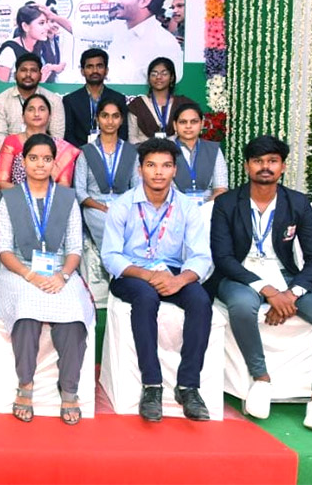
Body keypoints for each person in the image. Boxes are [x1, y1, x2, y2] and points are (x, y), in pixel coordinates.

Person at [209, 136, 312, 432]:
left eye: (272, 161)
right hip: (240, 275)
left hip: (285, 277)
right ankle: (261, 379)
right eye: (258, 161)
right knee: (242, 305)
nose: (265, 167)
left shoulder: (297, 203)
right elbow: (223, 258)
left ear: (282, 166)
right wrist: (268, 291)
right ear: (247, 166)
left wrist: (291, 294)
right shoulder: (227, 203)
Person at [101, 138, 214, 422]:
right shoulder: (123, 205)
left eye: (166, 166)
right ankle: (152, 385)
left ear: (175, 170)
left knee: (200, 300)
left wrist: (180, 280)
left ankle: (188, 386)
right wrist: (146, 275)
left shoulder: (187, 207)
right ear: (140, 169)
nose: (158, 172)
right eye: (151, 165)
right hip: (132, 272)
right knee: (146, 296)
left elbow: (201, 256)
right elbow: (110, 256)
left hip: (172, 272)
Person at [0, 133, 94, 424]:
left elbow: (74, 249)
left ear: (54, 164)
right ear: (23, 162)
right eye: (33, 158)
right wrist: (30, 275)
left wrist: (63, 275)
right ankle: (25, 385)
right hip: (19, 271)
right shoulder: (10, 198)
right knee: (26, 313)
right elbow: (4, 251)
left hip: (60, 271)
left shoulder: (67, 198)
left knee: (74, 314)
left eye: (47, 159)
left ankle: (69, 390)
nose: (40, 164)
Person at [76, 0, 183, 85]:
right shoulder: (119, 28)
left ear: (145, 0)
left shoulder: (165, 45)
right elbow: (83, 31)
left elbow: (167, 91)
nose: (118, 1)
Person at [75, 97, 140, 249]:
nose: (110, 121)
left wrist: (123, 209)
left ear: (121, 120)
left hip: (125, 208)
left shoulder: (131, 152)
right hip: (96, 209)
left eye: (115, 116)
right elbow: (80, 192)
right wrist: (103, 208)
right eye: (105, 116)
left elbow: (137, 188)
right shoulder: (86, 152)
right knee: (109, 225)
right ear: (97, 119)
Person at [0, 94, 78, 191]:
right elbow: (2, 183)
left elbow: (64, 185)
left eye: (42, 109)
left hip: (53, 198)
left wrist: (44, 196)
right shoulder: (11, 142)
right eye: (31, 109)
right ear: (23, 116)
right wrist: (28, 195)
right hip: (17, 196)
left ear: (49, 116)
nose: (36, 114)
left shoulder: (62, 148)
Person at [0, 53, 65, 149]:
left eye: (33, 70)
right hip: (10, 152)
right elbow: (0, 135)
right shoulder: (1, 100)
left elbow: (57, 137)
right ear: (15, 75)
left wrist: (39, 153)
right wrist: (16, 153)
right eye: (23, 70)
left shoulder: (54, 100)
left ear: (40, 75)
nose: (28, 74)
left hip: (45, 153)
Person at [62, 49, 129, 146]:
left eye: (99, 66)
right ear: (82, 71)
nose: (95, 71)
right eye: (90, 66)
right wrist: (82, 152)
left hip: (112, 151)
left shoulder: (118, 98)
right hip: (80, 151)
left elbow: (123, 133)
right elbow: (69, 135)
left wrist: (110, 151)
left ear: (106, 70)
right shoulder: (70, 100)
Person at [128, 58, 198, 143]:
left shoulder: (183, 104)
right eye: (154, 74)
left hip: (177, 150)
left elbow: (189, 135)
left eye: (164, 74)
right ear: (149, 78)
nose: (158, 77)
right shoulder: (137, 105)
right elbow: (132, 138)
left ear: (171, 78)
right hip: (142, 149)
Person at [171, 103, 228, 205]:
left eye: (194, 122)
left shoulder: (213, 149)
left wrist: (205, 209)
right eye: (183, 122)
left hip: (207, 207)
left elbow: (221, 189)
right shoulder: (165, 149)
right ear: (175, 125)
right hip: (173, 207)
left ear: (202, 124)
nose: (188, 126)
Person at [0, 3, 51, 83]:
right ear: (25, 26)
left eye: (47, 22)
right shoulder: (9, 51)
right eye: (41, 23)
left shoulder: (39, 47)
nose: (47, 27)